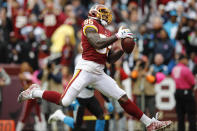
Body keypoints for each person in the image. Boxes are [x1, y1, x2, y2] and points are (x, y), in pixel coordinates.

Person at [18, 4, 172, 131]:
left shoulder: (108, 32)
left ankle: (149, 123)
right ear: (95, 13)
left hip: (99, 71)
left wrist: (123, 51)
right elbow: (96, 42)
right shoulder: (89, 23)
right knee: (64, 101)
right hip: (85, 68)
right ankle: (34, 92)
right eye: (103, 13)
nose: (107, 16)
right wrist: (118, 37)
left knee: (122, 96)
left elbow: (110, 59)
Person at [48, 87, 113, 131]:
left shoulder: (100, 69)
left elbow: (101, 87)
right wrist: (71, 97)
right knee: (77, 125)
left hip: (90, 97)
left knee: (101, 116)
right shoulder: (84, 69)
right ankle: (60, 115)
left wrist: (108, 101)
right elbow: (73, 83)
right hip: (80, 98)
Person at [171, 54, 196, 131]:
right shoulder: (186, 69)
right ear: (183, 60)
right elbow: (192, 82)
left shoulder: (174, 69)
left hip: (178, 92)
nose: (187, 61)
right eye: (186, 59)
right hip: (186, 93)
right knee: (191, 115)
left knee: (180, 116)